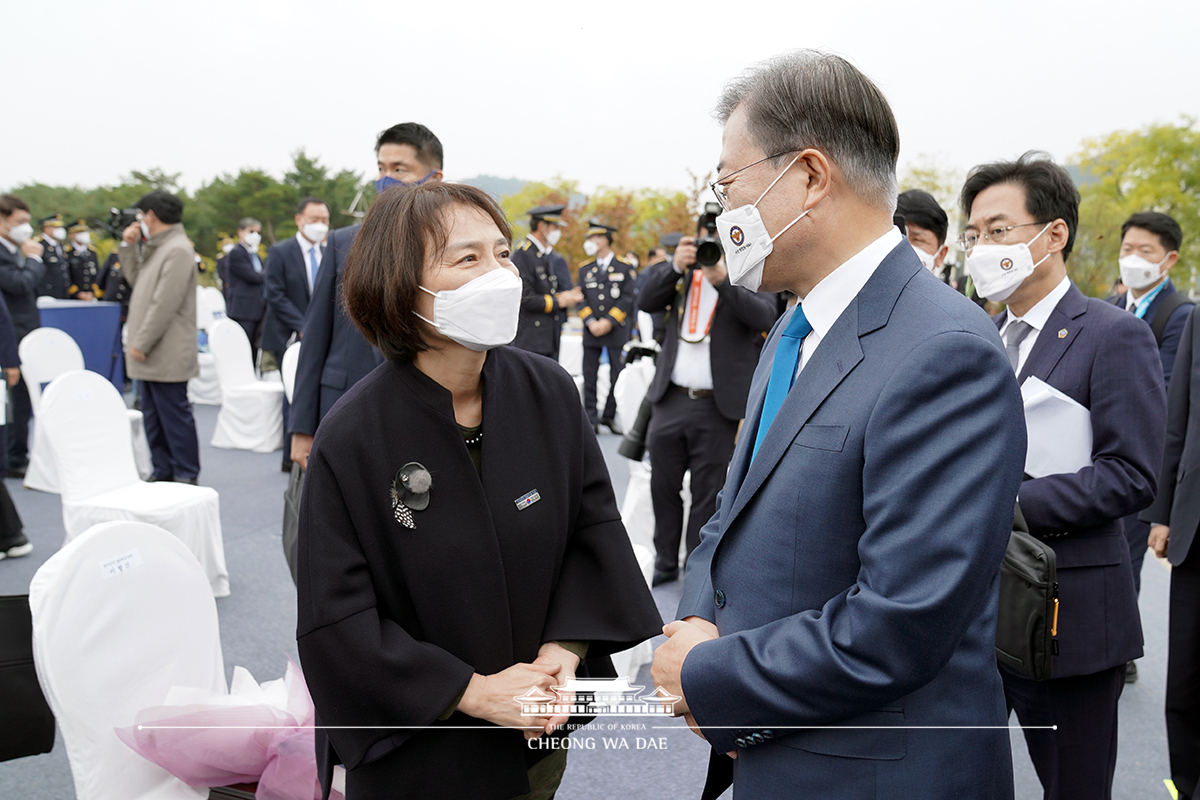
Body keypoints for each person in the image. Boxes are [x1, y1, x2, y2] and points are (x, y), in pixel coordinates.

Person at [650, 50, 1027, 800]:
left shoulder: (942, 353)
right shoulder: (797, 326)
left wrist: (708, 672)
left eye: (730, 183)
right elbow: (734, 511)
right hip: (776, 751)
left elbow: (899, 623)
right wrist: (694, 619)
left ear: (811, 177)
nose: (724, 212)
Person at [296, 181, 661, 800]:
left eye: (502, 252)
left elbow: (589, 532)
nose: (498, 274)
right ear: (400, 287)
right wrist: (471, 691)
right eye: (467, 259)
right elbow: (338, 618)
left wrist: (563, 649)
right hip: (421, 750)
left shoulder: (549, 393)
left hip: (535, 735)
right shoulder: (353, 436)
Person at [960, 152, 1165, 799]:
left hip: (1071, 619)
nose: (981, 247)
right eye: (974, 234)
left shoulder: (1113, 335)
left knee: (1072, 788)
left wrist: (1007, 503)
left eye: (997, 231)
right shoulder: (983, 338)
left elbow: (1133, 475)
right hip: (980, 617)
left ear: (1054, 235)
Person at [289, 122, 444, 470]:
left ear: (434, 178)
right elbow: (315, 337)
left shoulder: (451, 248)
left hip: (418, 405)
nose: (385, 179)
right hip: (342, 399)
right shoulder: (343, 242)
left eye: (399, 169)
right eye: (381, 168)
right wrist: (301, 427)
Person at [637, 229, 779, 586]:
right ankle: (665, 561)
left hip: (717, 405)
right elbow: (646, 301)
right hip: (670, 396)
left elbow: (766, 317)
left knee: (706, 492)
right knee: (663, 486)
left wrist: (722, 280)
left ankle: (694, 569)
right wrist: (674, 267)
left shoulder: (749, 272)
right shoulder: (682, 274)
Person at [1108, 211, 1192, 682]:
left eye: (1145, 252)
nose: (1133, 260)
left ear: (1169, 259)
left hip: (1145, 459)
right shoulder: (1112, 304)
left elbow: (1162, 389)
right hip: (1100, 451)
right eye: (1127, 250)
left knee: (1127, 554)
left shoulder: (1179, 315)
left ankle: (1120, 650)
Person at [1143, 300, 1200, 800]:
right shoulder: (1199, 317)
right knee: (1183, 684)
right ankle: (1186, 784)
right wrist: (1162, 511)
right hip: (1195, 529)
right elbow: (1178, 414)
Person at [118, 191, 201, 484]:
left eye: (141, 216)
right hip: (151, 350)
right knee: (153, 415)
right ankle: (163, 471)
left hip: (164, 349)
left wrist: (141, 343)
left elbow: (164, 303)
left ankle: (186, 474)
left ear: (150, 216)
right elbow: (138, 282)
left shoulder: (177, 248)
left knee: (174, 417)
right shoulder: (159, 246)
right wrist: (128, 246)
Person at [263, 197, 329, 471]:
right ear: (299, 220)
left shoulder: (330, 252)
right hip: (288, 334)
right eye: (314, 220)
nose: (320, 225)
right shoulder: (280, 252)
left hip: (320, 336)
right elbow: (275, 295)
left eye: (325, 220)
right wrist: (304, 325)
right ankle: (289, 455)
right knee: (294, 392)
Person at [0, 195, 46, 478]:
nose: (26, 229)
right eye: (20, 223)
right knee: (12, 402)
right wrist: (33, 259)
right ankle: (13, 457)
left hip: (21, 334)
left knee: (21, 400)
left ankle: (17, 453)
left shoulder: (12, 250)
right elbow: (19, 284)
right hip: (9, 338)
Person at [578, 221, 636, 434]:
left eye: (591, 239)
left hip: (615, 329)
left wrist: (608, 321)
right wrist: (591, 322)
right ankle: (590, 418)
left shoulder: (624, 267)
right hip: (591, 330)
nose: (588, 243)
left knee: (616, 374)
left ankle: (609, 416)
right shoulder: (585, 269)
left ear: (602, 240)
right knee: (589, 375)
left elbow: (628, 298)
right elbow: (580, 298)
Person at [511, 205, 581, 361]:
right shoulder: (524, 254)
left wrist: (565, 296)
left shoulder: (543, 253)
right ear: (543, 226)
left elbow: (547, 289)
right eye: (555, 227)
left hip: (548, 335)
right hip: (531, 338)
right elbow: (526, 297)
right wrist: (558, 301)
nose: (558, 232)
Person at [225, 218, 267, 365]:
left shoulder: (255, 255)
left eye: (257, 232)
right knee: (242, 348)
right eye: (251, 231)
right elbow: (254, 276)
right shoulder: (236, 253)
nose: (255, 235)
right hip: (243, 310)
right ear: (241, 232)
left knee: (254, 349)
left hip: (257, 308)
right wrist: (272, 273)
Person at [35, 214, 70, 300]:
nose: (60, 230)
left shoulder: (60, 246)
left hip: (62, 292)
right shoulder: (39, 245)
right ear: (46, 228)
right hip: (46, 293)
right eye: (56, 227)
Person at [66, 220, 100, 300]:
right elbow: (66, 276)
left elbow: (97, 273)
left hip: (91, 295)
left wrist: (92, 291)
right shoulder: (67, 253)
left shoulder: (92, 252)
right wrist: (77, 293)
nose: (84, 234)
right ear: (72, 235)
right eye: (79, 232)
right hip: (73, 296)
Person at [97, 249, 132, 322]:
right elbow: (102, 277)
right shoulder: (114, 255)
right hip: (111, 302)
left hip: (128, 303)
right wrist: (100, 298)